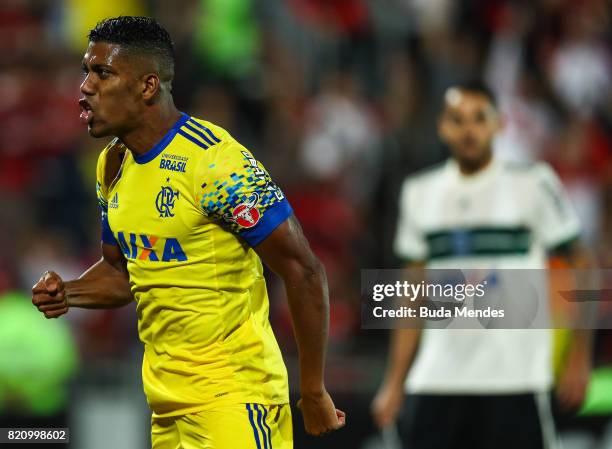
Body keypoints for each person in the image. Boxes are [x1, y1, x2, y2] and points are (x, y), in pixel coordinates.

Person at [31, 16, 345, 448]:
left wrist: (312, 389)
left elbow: (304, 269)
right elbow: (125, 271)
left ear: (147, 86)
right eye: (86, 71)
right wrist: (69, 292)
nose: (85, 86)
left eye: (102, 73)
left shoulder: (216, 164)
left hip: (235, 401)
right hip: (166, 410)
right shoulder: (112, 165)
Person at [371, 80, 593, 449]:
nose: (468, 129)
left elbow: (584, 263)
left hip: (515, 380)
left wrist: (579, 356)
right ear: (442, 127)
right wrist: (395, 381)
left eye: (479, 118)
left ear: (498, 124)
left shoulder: (534, 184)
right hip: (438, 380)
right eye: (457, 119)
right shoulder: (419, 193)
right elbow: (411, 293)